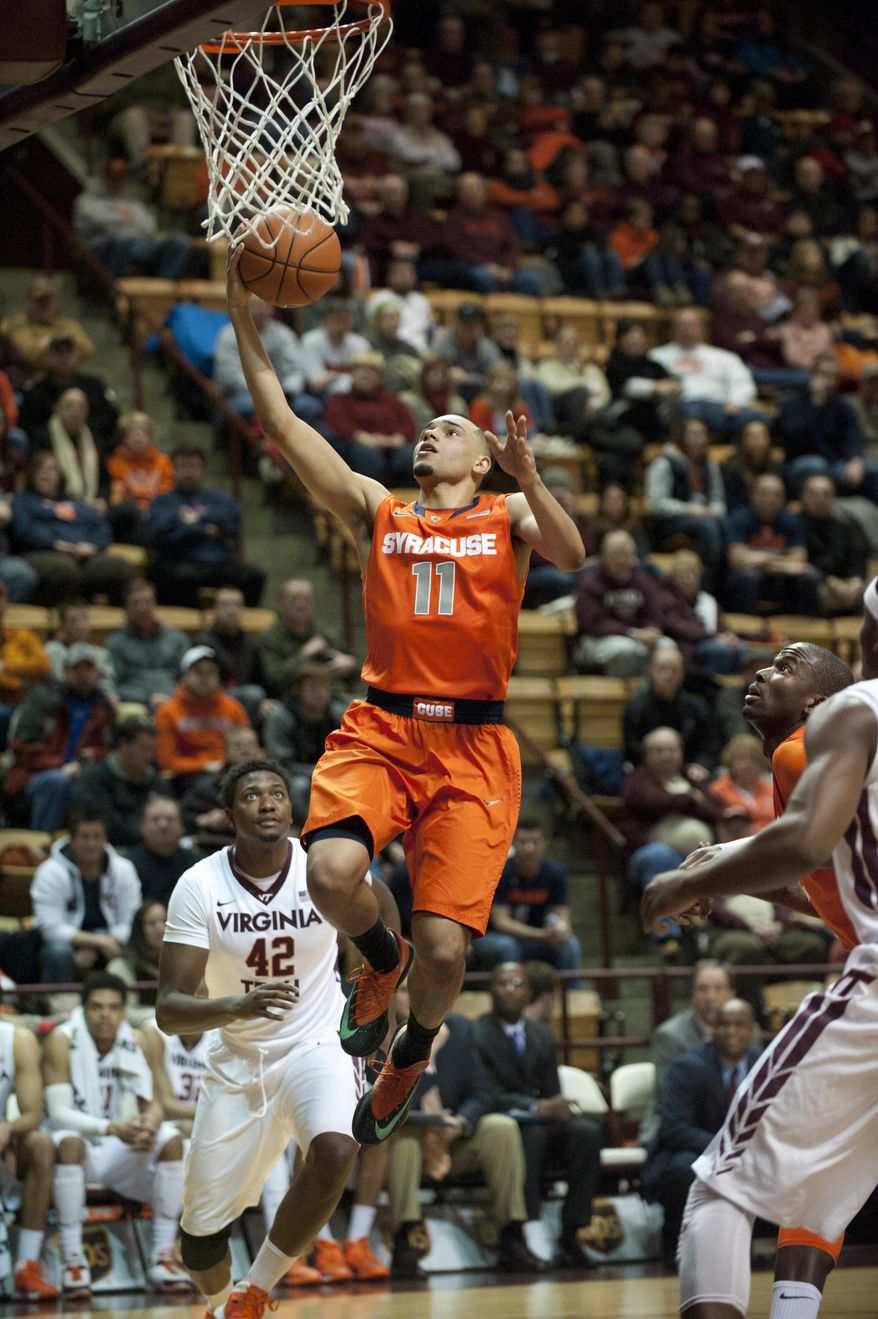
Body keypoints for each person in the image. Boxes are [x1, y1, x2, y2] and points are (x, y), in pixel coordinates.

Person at [226, 247, 584, 1155]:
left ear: (480, 454)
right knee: (333, 878)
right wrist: (244, 317)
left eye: (451, 427)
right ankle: (378, 967)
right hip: (382, 727)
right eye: (425, 426)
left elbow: (575, 554)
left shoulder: (506, 516)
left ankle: (412, 1053)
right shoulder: (377, 508)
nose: (432, 433)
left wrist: (527, 473)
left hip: (474, 746)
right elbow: (281, 423)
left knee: (452, 949)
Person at [640, 639, 878, 1319]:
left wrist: (693, 876)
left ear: (816, 701)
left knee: (721, 1185)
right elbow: (835, 895)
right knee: (820, 1187)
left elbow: (802, 844)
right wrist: (744, 873)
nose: (760, 672)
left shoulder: (803, 748)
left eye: (784, 665)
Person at [156, 758, 362, 1319]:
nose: (268, 802)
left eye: (277, 792)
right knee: (199, 1243)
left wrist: (385, 993)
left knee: (336, 1148)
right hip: (238, 1062)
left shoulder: (324, 867)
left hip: (316, 1042)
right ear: (230, 813)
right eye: (252, 795)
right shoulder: (199, 884)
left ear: (291, 807)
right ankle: (222, 1305)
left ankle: (255, 1290)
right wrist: (235, 1007)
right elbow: (170, 1012)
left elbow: (383, 917)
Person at [44, 972, 188, 1297]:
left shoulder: (136, 1039)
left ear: (123, 1011)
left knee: (170, 1140)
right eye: (96, 1007)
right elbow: (59, 1114)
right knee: (68, 1142)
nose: (105, 1015)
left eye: (113, 1007)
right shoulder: (62, 1039)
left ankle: (162, 1256)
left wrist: (148, 1125)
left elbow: (152, 1104)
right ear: (82, 1010)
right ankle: (73, 1260)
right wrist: (113, 1129)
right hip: (78, 1143)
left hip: (115, 1144)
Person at [387, 988, 541, 1279]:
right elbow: (384, 1099)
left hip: (452, 1140)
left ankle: (512, 1234)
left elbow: (482, 1091)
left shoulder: (458, 1028)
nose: (414, 997)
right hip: (409, 1140)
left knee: (501, 1128)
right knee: (404, 1141)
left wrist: (461, 1122)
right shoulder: (381, 1033)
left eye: (418, 987)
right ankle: (404, 1239)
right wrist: (427, 1053)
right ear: (392, 996)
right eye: (406, 990)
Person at [473, 962, 604, 1268]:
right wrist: (536, 1108)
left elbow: (551, 1091)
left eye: (517, 983)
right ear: (491, 992)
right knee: (529, 1135)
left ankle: (572, 1233)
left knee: (587, 1132)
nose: (509, 989)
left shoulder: (542, 1034)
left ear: (529, 993)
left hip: (542, 1125)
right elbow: (487, 1095)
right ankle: (520, 1233)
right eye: (502, 983)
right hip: (503, 1127)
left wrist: (557, 1108)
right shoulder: (478, 1034)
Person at [643, 999, 761, 1269]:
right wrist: (727, 1149)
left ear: (752, 1030)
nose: (732, 1032)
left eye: (739, 1025)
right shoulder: (688, 1067)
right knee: (683, 1169)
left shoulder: (763, 1066)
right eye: (724, 1025)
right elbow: (673, 1128)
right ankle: (678, 1249)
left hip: (746, 1152)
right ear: (713, 1029)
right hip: (695, 1151)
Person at [6, 645, 116, 831]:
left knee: (96, 785)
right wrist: (60, 765)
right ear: (65, 671)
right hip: (36, 776)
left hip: (83, 775)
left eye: (88, 669)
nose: (82, 675)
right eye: (76, 669)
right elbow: (20, 747)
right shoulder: (42, 700)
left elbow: (111, 751)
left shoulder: (104, 708)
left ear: (97, 672)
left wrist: (91, 758)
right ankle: (44, 847)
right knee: (57, 782)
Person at [31, 808, 141, 986]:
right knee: (58, 952)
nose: (91, 844)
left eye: (97, 837)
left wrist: (103, 945)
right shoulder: (50, 872)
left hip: (113, 940)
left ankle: (130, 1006)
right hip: (70, 944)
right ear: (72, 841)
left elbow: (131, 921)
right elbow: (50, 928)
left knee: (144, 944)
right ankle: (57, 1005)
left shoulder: (123, 870)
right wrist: (99, 943)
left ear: (105, 839)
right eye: (84, 837)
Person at [146, 445, 265, 606]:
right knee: (174, 578)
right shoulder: (162, 501)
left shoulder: (217, 499)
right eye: (183, 467)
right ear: (173, 470)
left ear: (202, 470)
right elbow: (157, 532)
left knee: (254, 577)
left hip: (218, 564)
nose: (188, 473)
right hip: (180, 564)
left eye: (194, 467)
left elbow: (233, 520)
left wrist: (189, 521)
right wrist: (206, 529)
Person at [11, 451, 133, 606]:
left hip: (83, 556)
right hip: (42, 553)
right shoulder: (23, 501)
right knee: (66, 570)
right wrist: (56, 545)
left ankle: (116, 623)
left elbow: (101, 525)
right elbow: (24, 530)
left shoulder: (75, 503)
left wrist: (93, 546)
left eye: (51, 470)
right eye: (39, 470)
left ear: (60, 475)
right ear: (31, 474)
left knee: (120, 567)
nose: (45, 475)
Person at [0, 1016, 59, 1300]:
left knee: (41, 1143)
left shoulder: (17, 1040)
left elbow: (33, 1114)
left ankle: (27, 1264)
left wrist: (8, 1128)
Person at [481, 820, 582, 976]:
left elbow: (562, 914)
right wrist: (541, 935)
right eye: (523, 842)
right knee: (508, 945)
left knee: (570, 944)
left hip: (538, 938)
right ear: (513, 843)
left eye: (535, 842)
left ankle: (572, 996)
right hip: (497, 937)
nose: (529, 848)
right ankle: (512, 995)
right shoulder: (501, 871)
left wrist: (561, 931)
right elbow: (501, 923)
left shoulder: (556, 873)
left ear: (545, 844)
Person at [648, 307, 764, 438]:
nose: (687, 330)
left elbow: (741, 381)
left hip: (718, 409)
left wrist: (736, 402)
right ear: (673, 328)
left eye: (692, 325)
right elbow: (646, 386)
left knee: (759, 419)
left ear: (702, 327)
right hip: (680, 406)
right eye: (682, 325)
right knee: (690, 412)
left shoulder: (723, 357)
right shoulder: (657, 357)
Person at [644, 416, 727, 591]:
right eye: (694, 434)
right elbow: (656, 504)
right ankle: (706, 587)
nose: (700, 439)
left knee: (726, 524)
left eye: (703, 434)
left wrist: (714, 510)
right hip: (670, 522)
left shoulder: (709, 466)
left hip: (704, 516)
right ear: (682, 437)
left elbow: (718, 499)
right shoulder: (664, 464)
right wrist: (691, 510)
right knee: (708, 528)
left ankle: (723, 586)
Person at [779, 354, 878, 500]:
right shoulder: (792, 403)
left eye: (834, 377)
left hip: (836, 464)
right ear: (812, 375)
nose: (829, 381)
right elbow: (794, 439)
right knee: (816, 465)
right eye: (824, 375)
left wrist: (856, 461)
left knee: (872, 470)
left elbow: (852, 437)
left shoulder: (842, 406)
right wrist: (816, 406)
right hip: (800, 463)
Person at [723, 472, 822, 616]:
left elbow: (799, 561)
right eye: (765, 493)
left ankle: (805, 628)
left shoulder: (791, 521)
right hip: (749, 583)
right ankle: (747, 628)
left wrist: (760, 560)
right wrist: (781, 560)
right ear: (753, 495)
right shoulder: (739, 519)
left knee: (810, 576)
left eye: (777, 495)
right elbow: (738, 560)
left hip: (780, 581)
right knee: (748, 576)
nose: (771, 499)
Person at [155, 646, 250, 790]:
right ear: (185, 675)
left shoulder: (233, 707)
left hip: (231, 772)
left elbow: (248, 746)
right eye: (198, 671)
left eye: (211, 672)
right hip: (188, 779)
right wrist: (204, 766)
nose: (205, 678)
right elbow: (166, 761)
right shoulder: (167, 712)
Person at [213, 298, 319, 427]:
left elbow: (296, 369)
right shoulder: (229, 334)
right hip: (243, 393)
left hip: (282, 394)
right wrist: (266, 393)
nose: (260, 311)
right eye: (255, 306)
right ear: (245, 308)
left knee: (311, 406)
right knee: (247, 407)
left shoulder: (284, 334)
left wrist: (288, 391)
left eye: (264, 306)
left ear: (272, 309)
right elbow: (228, 375)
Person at [263, 663, 349, 822]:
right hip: (294, 775)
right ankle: (309, 830)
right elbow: (281, 763)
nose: (319, 693)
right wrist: (318, 772)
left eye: (324, 687)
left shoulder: (338, 714)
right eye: (312, 687)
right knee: (299, 787)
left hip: (332, 771)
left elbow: (351, 752)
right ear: (298, 691)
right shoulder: (282, 717)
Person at [573, 529, 665, 677]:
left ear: (633, 556)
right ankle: (622, 697)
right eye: (616, 555)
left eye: (625, 554)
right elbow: (593, 624)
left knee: (667, 648)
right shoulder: (590, 583)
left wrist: (652, 629)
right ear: (604, 557)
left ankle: (652, 695)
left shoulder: (644, 581)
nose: (621, 560)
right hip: (597, 639)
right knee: (625, 651)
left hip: (638, 636)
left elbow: (655, 613)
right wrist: (632, 633)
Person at [323, 349, 419, 485]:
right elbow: (339, 425)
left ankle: (412, 504)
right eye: (361, 369)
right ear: (352, 373)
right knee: (368, 456)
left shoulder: (392, 399)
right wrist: (364, 437)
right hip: (357, 446)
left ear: (380, 376)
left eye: (371, 370)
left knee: (410, 455)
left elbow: (408, 424)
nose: (365, 374)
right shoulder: (340, 400)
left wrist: (398, 439)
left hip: (392, 446)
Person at [255, 577, 358, 699]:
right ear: (281, 603)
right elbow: (274, 678)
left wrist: (350, 664)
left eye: (306, 599)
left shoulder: (324, 633)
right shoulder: (270, 638)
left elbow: (359, 668)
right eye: (293, 600)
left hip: (326, 699)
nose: (301, 605)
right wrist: (305, 653)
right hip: (287, 700)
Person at [623, 645, 720, 772]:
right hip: (649, 772)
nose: (668, 674)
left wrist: (701, 766)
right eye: (662, 669)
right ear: (651, 671)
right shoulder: (636, 709)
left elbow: (711, 745)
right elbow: (633, 749)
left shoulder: (697, 706)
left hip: (690, 771)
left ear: (682, 673)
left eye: (674, 670)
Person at [70, 713, 160, 848]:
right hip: (112, 852)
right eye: (144, 749)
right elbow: (106, 827)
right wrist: (150, 831)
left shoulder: (156, 781)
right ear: (123, 745)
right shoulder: (96, 779)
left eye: (152, 750)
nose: (150, 756)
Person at [18, 333, 118, 450]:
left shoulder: (95, 385)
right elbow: (28, 426)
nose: (64, 358)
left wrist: (82, 431)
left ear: (77, 356)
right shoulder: (35, 391)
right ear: (47, 358)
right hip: (49, 449)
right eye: (58, 353)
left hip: (93, 445)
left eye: (68, 352)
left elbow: (110, 418)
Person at [106, 577, 188, 711]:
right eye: (135, 603)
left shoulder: (177, 638)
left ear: (155, 604)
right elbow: (114, 685)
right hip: (135, 705)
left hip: (174, 702)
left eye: (147, 602)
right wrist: (146, 698)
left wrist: (171, 697)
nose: (142, 608)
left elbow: (187, 679)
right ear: (126, 607)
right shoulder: (116, 642)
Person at [180, 724, 262, 853]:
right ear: (226, 751)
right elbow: (183, 814)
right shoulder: (207, 786)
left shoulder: (272, 783)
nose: (245, 750)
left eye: (250, 745)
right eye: (238, 745)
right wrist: (204, 819)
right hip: (218, 848)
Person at [195, 585, 268, 725]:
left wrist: (266, 700)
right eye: (225, 605)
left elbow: (261, 679)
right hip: (212, 699)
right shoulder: (203, 642)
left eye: (237, 605)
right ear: (215, 610)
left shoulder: (250, 644)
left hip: (245, 699)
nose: (231, 610)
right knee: (253, 694)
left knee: (268, 707)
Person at [798, 473, 867, 615]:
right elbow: (804, 562)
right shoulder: (794, 525)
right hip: (818, 582)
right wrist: (833, 583)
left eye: (826, 494)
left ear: (833, 498)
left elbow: (857, 556)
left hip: (847, 583)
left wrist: (855, 581)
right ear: (802, 496)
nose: (820, 498)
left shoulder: (846, 524)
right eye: (814, 493)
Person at [106, 411, 174, 543]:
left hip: (156, 516)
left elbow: (167, 494)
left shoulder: (164, 462)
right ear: (124, 438)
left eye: (143, 432)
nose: (138, 437)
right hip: (129, 519)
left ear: (150, 437)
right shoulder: (115, 464)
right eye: (133, 433)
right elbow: (117, 499)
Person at [0, 578, 51, 749]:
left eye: (1, 597)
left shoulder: (22, 635)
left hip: (24, 705)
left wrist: (7, 666)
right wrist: (21, 681)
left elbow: (43, 666)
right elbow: (7, 684)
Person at [126, 795, 199, 906]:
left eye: (170, 819)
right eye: (155, 819)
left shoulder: (197, 865)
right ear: (142, 826)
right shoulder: (128, 867)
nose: (163, 825)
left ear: (182, 826)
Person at [44, 597, 117, 702]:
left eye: (84, 619)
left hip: (97, 706)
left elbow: (108, 687)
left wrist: (110, 698)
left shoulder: (101, 653)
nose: (81, 625)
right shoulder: (52, 651)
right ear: (63, 625)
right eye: (73, 621)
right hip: (63, 705)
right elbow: (58, 684)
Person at [107, 899, 167, 1020]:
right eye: (151, 923)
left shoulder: (183, 962)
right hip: (142, 1030)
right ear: (139, 930)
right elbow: (124, 1012)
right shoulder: (122, 966)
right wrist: (169, 1016)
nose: (160, 928)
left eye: (165, 921)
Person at [708, 735, 774, 832]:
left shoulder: (772, 789)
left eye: (753, 759)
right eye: (741, 759)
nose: (747, 765)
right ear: (731, 763)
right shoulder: (718, 790)